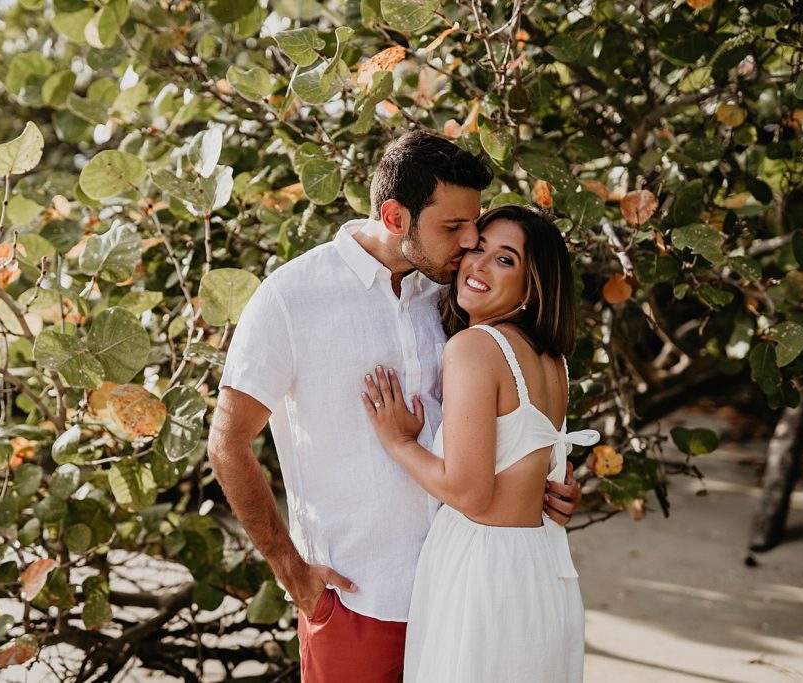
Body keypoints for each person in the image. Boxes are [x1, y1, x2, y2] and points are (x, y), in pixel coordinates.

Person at [207, 131, 582, 682]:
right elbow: (228, 442)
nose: (469, 242)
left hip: (462, 590)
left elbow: (507, 412)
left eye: (474, 226)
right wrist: (291, 570)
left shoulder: (456, 293)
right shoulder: (291, 297)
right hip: (359, 598)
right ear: (395, 216)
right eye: (453, 228)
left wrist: (541, 485)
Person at [361, 205, 598, 682]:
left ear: (534, 284)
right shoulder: (553, 362)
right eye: (477, 249)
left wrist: (399, 441)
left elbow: (471, 493)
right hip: (540, 567)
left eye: (505, 259)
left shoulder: (475, 347)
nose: (478, 265)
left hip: (482, 569)